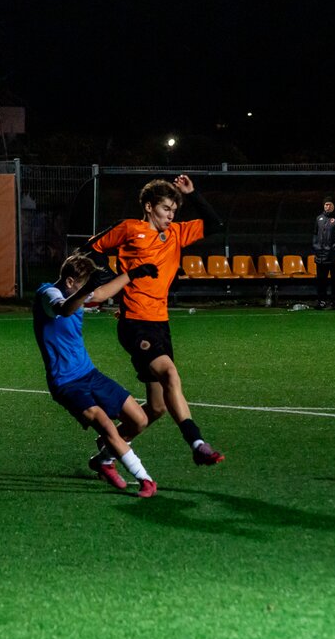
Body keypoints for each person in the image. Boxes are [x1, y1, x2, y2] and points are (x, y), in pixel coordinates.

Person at [81, 174, 226, 467]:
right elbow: (90, 249)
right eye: (165, 209)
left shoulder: (177, 233)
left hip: (160, 322)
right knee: (170, 373)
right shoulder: (129, 229)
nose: (170, 216)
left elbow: (215, 224)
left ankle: (107, 452)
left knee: (157, 408)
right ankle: (197, 443)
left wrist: (193, 194)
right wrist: (115, 281)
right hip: (135, 322)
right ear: (149, 207)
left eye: (174, 210)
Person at [33, 253, 161, 497]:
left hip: (89, 373)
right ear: (70, 281)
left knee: (139, 420)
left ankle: (102, 461)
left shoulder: (77, 291)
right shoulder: (47, 294)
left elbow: (101, 293)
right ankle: (145, 479)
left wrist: (133, 274)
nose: (88, 292)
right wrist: (85, 291)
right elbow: (64, 309)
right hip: (65, 383)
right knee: (105, 425)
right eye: (84, 286)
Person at [312, 195, 335, 309]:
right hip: (320, 255)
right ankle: (321, 301)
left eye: (329, 205)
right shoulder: (319, 218)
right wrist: (315, 245)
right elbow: (315, 234)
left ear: (333, 206)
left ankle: (334, 302)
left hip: (333, 256)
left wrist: (333, 247)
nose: (327, 207)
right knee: (321, 280)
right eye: (325, 205)